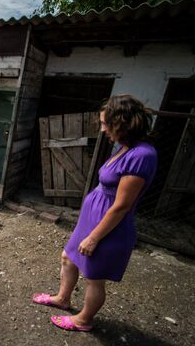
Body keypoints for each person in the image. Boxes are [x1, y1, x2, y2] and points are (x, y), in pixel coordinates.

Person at [32, 94, 158, 332]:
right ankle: (62, 298)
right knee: (68, 257)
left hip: (108, 225)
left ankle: (84, 320)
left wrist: (94, 237)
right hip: (92, 219)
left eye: (105, 123)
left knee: (93, 276)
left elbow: (121, 205)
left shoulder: (142, 155)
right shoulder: (125, 148)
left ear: (121, 123)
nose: (102, 129)